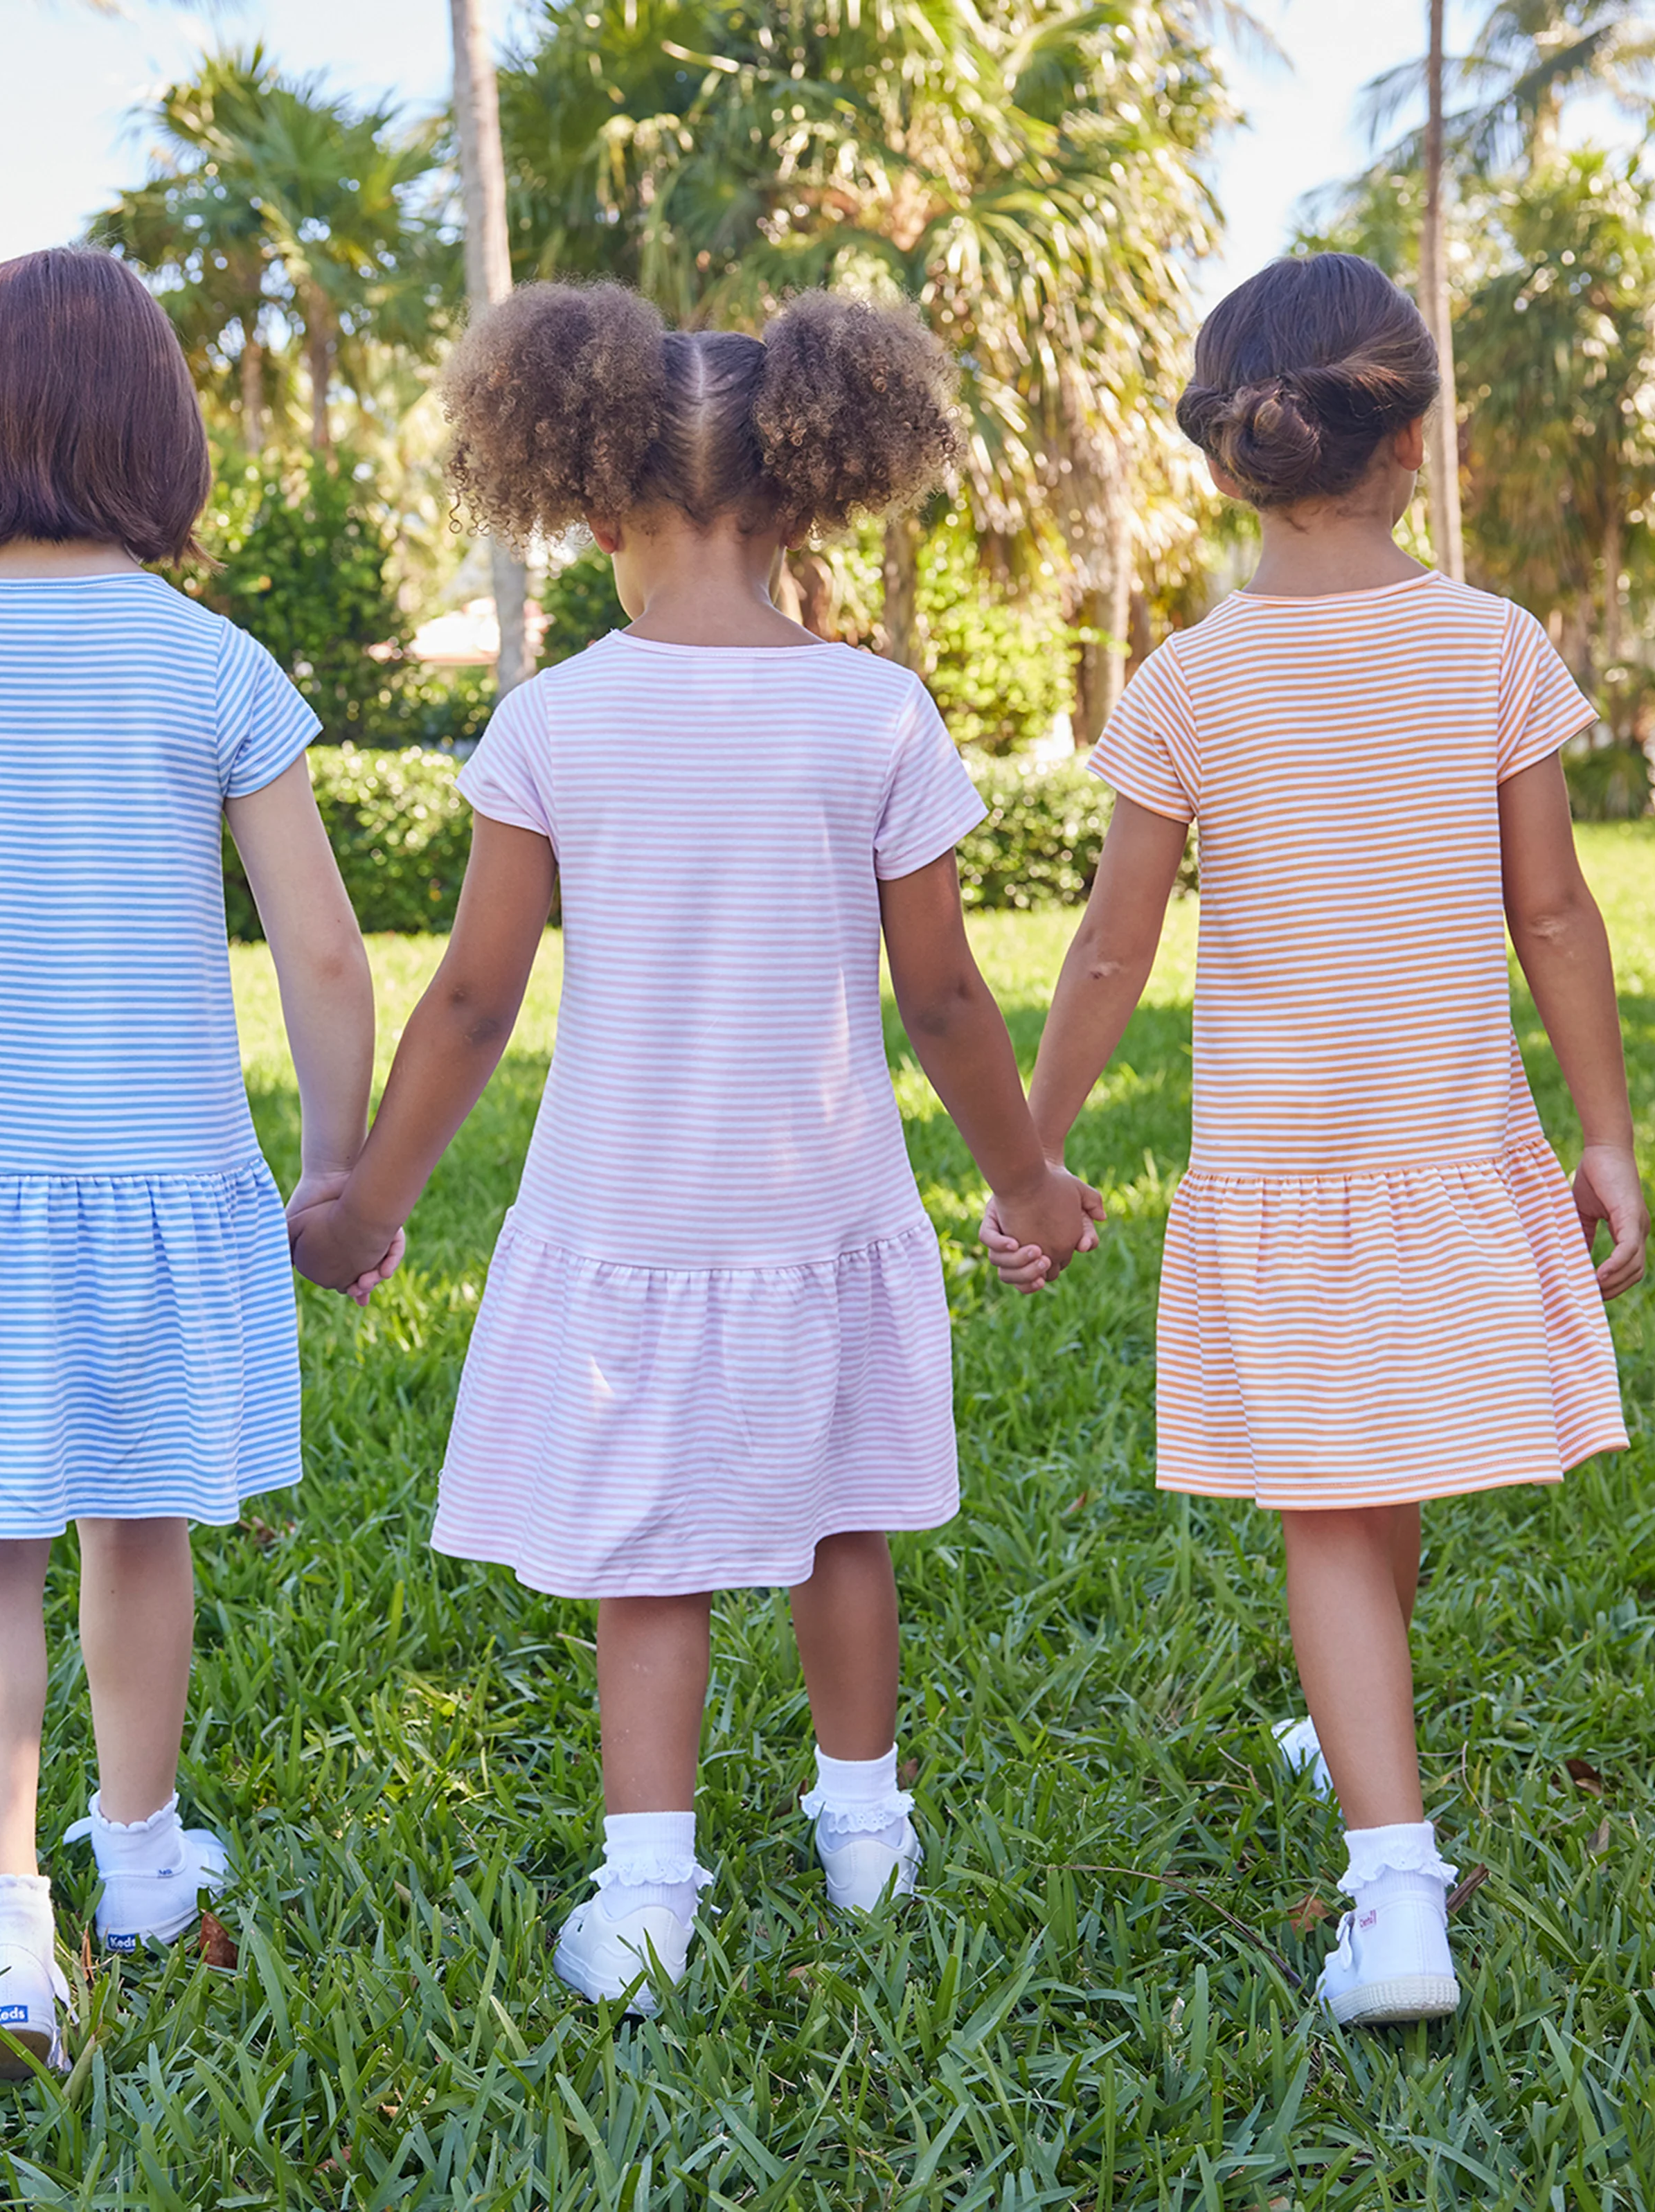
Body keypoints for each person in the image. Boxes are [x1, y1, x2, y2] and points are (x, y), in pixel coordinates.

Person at [291, 283, 1102, 2015]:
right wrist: (1022, 1177)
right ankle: (866, 1835)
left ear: (590, 505)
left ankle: (647, 1894)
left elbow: (469, 1004)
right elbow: (947, 999)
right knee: (841, 1518)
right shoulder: (876, 714)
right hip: (822, 1205)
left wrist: (370, 1201)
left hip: (623, 1214)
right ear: (806, 498)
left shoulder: (553, 722)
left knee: (648, 1558)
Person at [985, 252, 1647, 2029]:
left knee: (1334, 1504)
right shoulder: (1490, 642)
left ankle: (1392, 1889)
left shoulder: (1188, 679)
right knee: (1378, 1474)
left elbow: (1114, 947)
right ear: (1410, 438)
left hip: (1285, 1165)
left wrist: (1028, 1156)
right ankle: (1355, 1740)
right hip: (1447, 1139)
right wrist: (1606, 1131)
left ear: (1228, 453)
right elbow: (1557, 913)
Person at [0, 248, 386, 2089]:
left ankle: (3, 1950)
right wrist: (332, 1166)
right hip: (166, 1192)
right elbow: (329, 952)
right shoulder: (210, 660)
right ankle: (136, 1861)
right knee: (145, 1527)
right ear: (157, 426)